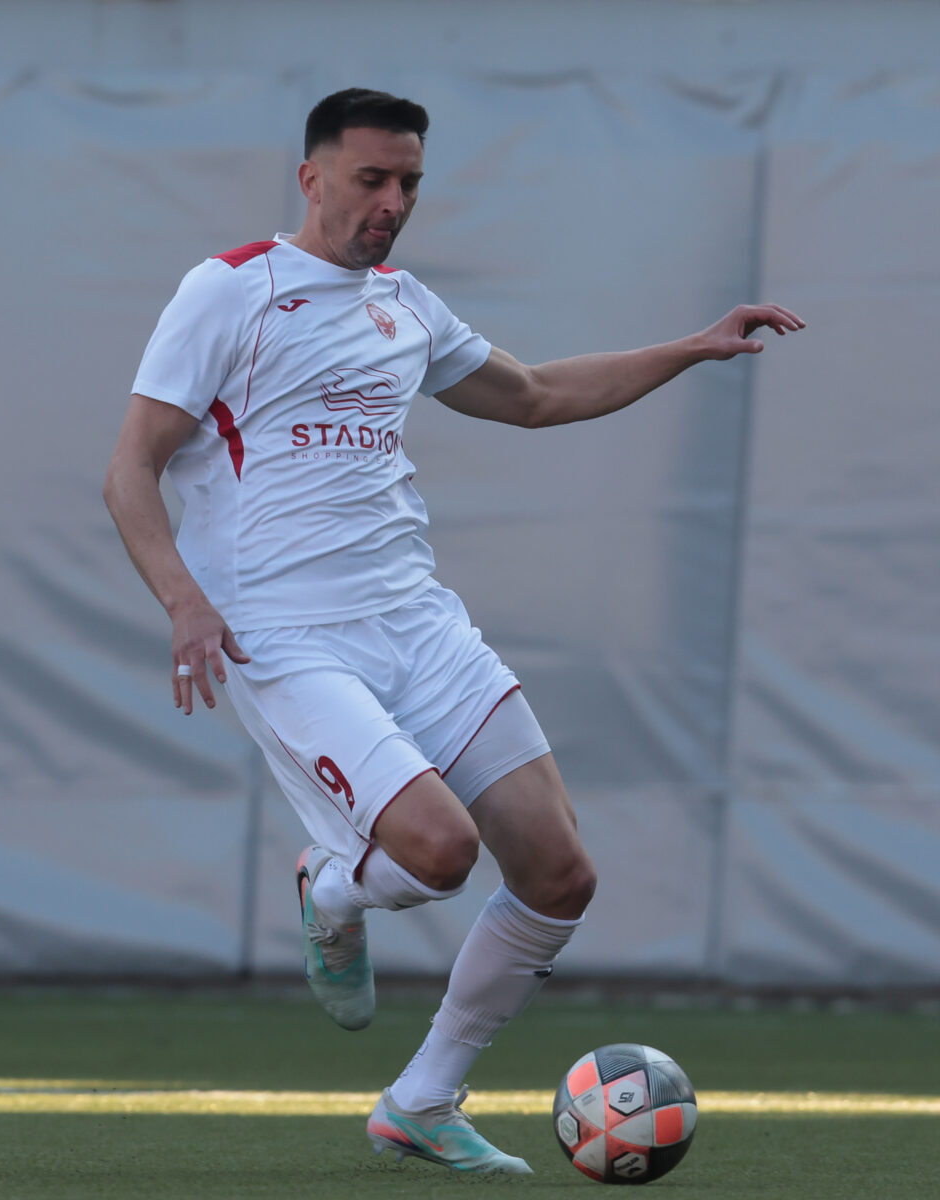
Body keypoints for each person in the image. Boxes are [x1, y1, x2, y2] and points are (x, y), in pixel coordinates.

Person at [104, 88, 803, 1176]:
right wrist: (183, 599)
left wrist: (695, 347)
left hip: (415, 622)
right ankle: (333, 888)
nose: (392, 203)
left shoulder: (405, 306)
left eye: (410, 184)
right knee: (436, 852)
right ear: (313, 177)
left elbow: (530, 396)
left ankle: (422, 1099)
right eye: (372, 179)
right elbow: (129, 467)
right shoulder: (230, 289)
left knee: (560, 873)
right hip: (284, 636)